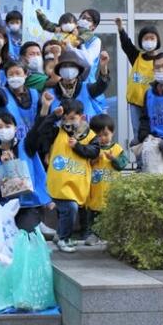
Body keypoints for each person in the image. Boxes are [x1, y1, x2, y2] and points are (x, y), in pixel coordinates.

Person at [36, 97, 100, 253]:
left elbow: (95, 151)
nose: (68, 122)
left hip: (77, 184)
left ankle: (60, 234)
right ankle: (64, 238)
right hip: (59, 183)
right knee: (70, 208)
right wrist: (53, 116)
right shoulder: (57, 131)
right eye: (65, 118)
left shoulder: (90, 135)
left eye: (72, 118)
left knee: (69, 211)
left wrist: (77, 146)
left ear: (82, 117)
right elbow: (41, 130)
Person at [0, 111, 51, 232]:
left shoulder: (26, 145)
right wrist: (6, 166)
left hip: (29, 203)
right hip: (7, 204)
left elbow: (37, 130)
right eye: (0, 127)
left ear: (15, 128)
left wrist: (44, 108)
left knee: (24, 233)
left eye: (7, 126)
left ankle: (36, 224)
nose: (4, 130)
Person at [85, 114, 129, 245]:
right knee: (94, 214)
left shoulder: (117, 149)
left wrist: (113, 159)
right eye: (98, 135)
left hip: (112, 190)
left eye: (105, 134)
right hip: (95, 190)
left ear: (112, 133)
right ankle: (93, 235)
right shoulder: (92, 150)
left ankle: (113, 235)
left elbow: (122, 165)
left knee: (112, 214)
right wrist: (93, 160)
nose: (102, 138)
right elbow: (85, 165)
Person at [117, 18, 161, 140]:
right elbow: (127, 45)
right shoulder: (137, 57)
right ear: (141, 42)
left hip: (154, 103)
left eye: (152, 38)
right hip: (135, 103)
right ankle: (140, 158)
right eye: (146, 38)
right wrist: (121, 29)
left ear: (157, 41)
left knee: (154, 132)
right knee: (137, 133)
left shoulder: (161, 59)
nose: (149, 41)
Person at [0, 61, 39, 144]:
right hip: (7, 143)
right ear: (6, 77)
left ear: (25, 74)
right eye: (11, 74)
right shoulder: (1, 93)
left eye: (18, 73)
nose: (15, 77)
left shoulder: (35, 93)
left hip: (32, 143)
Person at [47, 49, 110, 120]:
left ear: (78, 70)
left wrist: (103, 67)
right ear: (59, 70)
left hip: (87, 130)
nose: (68, 69)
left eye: (72, 66)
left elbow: (101, 85)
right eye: (64, 66)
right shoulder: (50, 94)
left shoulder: (87, 88)